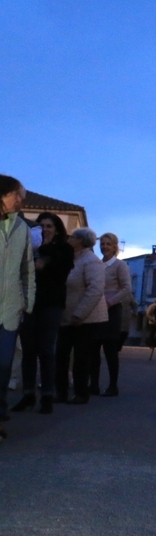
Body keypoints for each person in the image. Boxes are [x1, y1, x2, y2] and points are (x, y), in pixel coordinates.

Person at [14, 213, 70, 415]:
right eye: (42, 226)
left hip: (51, 304)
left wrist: (44, 251)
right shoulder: (29, 248)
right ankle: (28, 394)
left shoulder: (64, 249)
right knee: (28, 350)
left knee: (46, 350)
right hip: (29, 303)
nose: (45, 229)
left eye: (49, 226)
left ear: (57, 230)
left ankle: (47, 395)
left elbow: (60, 273)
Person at [56, 228, 108, 404]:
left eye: (72, 237)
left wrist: (80, 314)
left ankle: (81, 393)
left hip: (86, 319)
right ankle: (61, 391)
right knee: (61, 355)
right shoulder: (71, 259)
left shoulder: (91, 261)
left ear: (80, 241)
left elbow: (95, 289)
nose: (69, 239)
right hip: (66, 317)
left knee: (81, 357)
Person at [0, 176, 36, 424]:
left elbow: (27, 269)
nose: (21, 201)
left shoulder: (22, 227)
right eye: (17, 195)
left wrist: (27, 303)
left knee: (4, 365)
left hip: (10, 309)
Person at [90, 233, 134, 397]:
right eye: (102, 244)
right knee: (93, 350)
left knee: (110, 351)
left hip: (112, 311)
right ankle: (93, 385)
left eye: (108, 244)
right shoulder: (97, 264)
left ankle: (112, 386)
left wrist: (110, 302)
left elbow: (126, 288)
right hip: (95, 311)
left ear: (115, 246)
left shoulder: (120, 266)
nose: (105, 247)